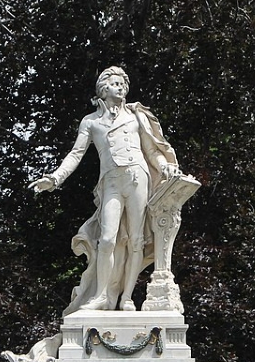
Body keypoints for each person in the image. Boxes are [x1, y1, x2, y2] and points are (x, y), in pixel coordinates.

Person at [31, 66, 181, 313]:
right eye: (114, 83)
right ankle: (101, 295)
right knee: (107, 239)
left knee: (136, 240)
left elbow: (153, 150)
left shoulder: (136, 117)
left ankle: (127, 298)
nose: (120, 86)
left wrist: (165, 166)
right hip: (110, 182)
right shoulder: (91, 122)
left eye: (123, 83)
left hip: (137, 177)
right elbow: (76, 154)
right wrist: (55, 178)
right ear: (103, 88)